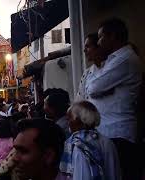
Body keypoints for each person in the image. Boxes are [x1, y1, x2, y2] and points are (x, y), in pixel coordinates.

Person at [87, 18, 143, 180]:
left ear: (112, 36)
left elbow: (93, 88)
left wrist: (99, 85)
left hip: (119, 133)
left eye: (101, 37)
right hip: (110, 132)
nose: (98, 42)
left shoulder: (124, 58)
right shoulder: (112, 60)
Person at [59, 101, 121, 180]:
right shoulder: (107, 141)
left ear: (79, 119)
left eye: (69, 119)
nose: (68, 123)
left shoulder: (79, 145)